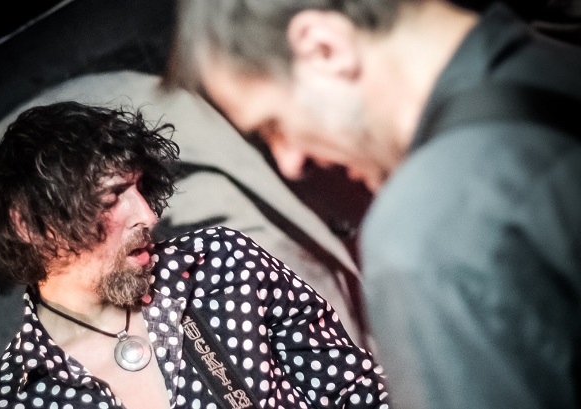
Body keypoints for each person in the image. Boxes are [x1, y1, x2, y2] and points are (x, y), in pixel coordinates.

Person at [163, 1, 581, 409]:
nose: (290, 162)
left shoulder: (421, 230)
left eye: (273, 126)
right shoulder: (554, 60)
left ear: (323, 48)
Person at [0, 100, 389, 409]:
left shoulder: (220, 263)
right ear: (30, 225)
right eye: (113, 197)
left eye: (140, 188)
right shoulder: (12, 399)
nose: (148, 215)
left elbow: (358, 392)